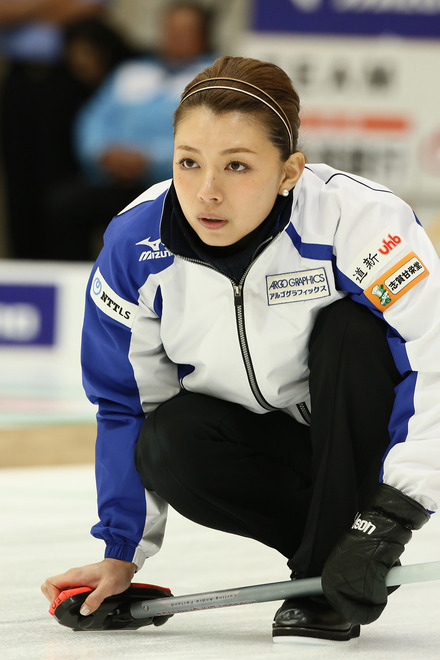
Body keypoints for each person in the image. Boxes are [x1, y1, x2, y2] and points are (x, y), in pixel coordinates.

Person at [41, 55, 439, 643]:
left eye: (237, 166)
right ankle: (332, 557)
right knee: (168, 442)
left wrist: (389, 517)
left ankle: (345, 550)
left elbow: (433, 355)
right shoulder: (135, 245)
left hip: (361, 440)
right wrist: (121, 554)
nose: (207, 192)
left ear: (289, 172)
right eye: (189, 163)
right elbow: (125, 402)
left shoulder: (357, 219)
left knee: (351, 332)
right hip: (266, 447)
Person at [43, 2, 215, 261]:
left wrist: (150, 160)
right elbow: (93, 119)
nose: (175, 39)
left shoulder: (214, 77)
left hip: (172, 182)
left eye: (185, 32)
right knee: (63, 204)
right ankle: (76, 283)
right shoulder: (131, 71)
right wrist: (102, 153)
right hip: (112, 175)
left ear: (203, 37)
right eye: (171, 31)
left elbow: (211, 137)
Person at [0, 0, 108, 259]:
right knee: (19, 183)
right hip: (19, 80)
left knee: (62, 177)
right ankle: (25, 271)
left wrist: (25, 10)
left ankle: (63, 270)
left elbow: (90, 9)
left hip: (67, 78)